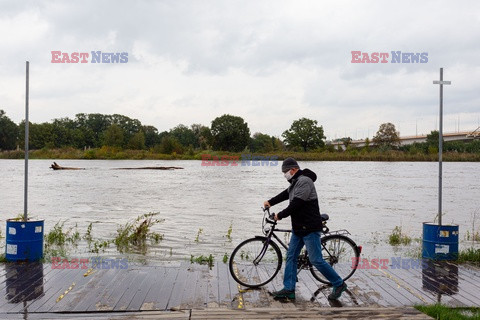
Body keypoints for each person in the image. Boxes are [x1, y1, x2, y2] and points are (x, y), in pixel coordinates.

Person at [263, 157, 347, 300]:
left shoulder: (304, 181)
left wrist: (280, 215)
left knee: (316, 260)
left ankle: (339, 283)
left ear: (293, 169)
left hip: (310, 228)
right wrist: (270, 202)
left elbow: (297, 204)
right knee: (291, 256)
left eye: (285, 172)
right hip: (299, 228)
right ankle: (289, 289)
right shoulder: (295, 182)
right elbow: (286, 194)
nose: (285, 175)